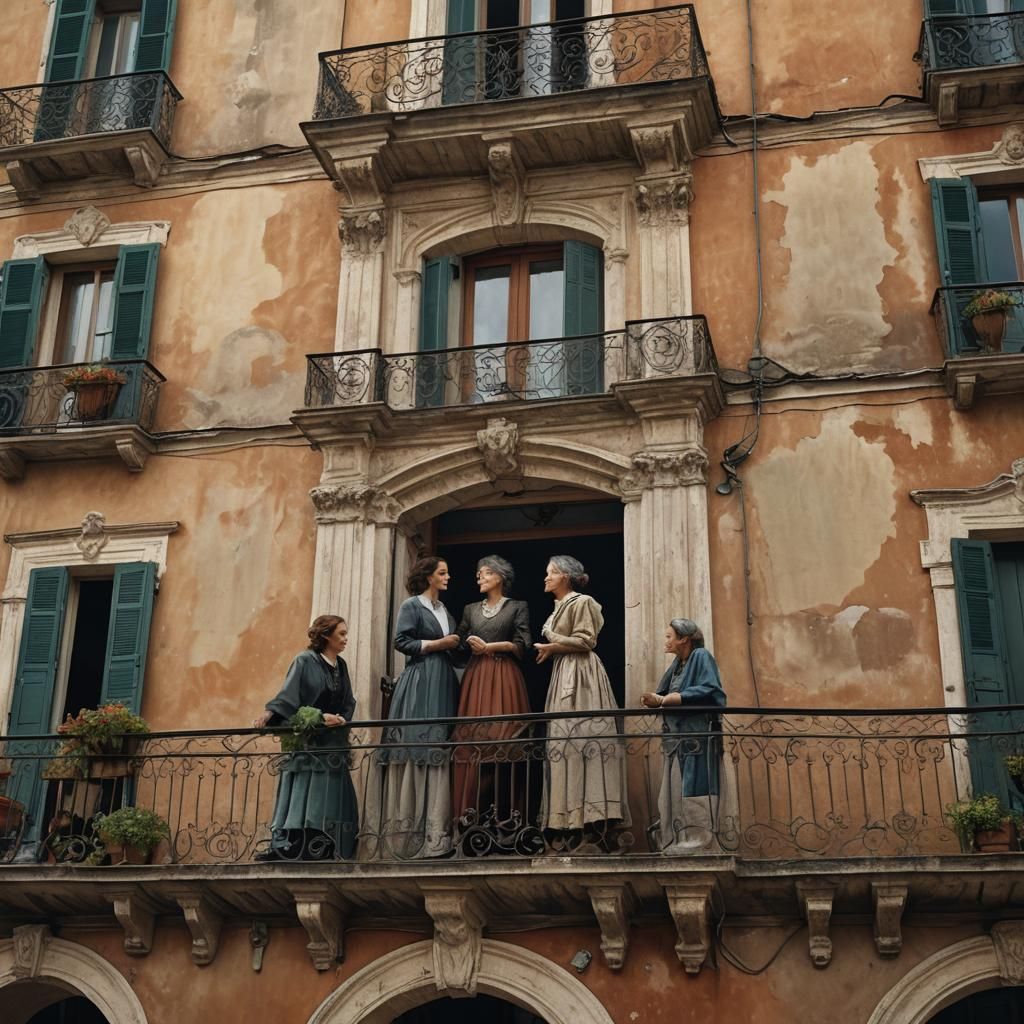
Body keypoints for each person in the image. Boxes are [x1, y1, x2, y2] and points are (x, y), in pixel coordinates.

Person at [363, 555, 461, 860]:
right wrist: (438, 644)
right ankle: (409, 834)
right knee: (419, 741)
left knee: (439, 743)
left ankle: (438, 834)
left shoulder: (444, 610)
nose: (447, 577)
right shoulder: (412, 605)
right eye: (442, 573)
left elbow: (453, 649)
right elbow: (401, 641)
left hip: (443, 680)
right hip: (420, 680)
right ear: (429, 576)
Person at [535, 555, 629, 847]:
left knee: (586, 737)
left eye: (551, 573)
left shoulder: (582, 601)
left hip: (582, 675)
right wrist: (552, 648)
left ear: (565, 576)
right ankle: (568, 821)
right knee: (564, 744)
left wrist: (552, 642)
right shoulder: (558, 606)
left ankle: (594, 820)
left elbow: (587, 641)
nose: (546, 578)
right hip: (564, 672)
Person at [252, 615, 358, 861]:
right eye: (341, 634)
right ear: (326, 636)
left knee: (327, 797)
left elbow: (348, 701)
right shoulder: (304, 660)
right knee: (302, 794)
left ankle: (324, 846)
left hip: (331, 746)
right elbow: (288, 697)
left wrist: (341, 718)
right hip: (307, 744)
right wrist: (270, 714)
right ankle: (292, 846)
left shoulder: (341, 666)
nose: (345, 638)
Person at [452, 555, 533, 852]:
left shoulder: (517, 606)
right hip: (476, 677)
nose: (479, 578)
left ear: (500, 576)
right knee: (474, 743)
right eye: (478, 574)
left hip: (503, 676)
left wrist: (490, 647)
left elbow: (523, 644)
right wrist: (463, 643)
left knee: (505, 744)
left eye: (485, 573)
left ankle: (507, 823)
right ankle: (470, 822)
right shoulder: (470, 609)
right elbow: (458, 641)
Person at [640, 618, 726, 852]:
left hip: (697, 734)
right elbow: (666, 693)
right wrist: (656, 699)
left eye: (669, 636)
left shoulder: (701, 656)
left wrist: (675, 698)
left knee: (697, 783)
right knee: (678, 785)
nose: (665, 641)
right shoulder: (678, 664)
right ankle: (677, 838)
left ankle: (700, 841)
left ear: (684, 639)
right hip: (678, 737)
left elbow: (711, 688)